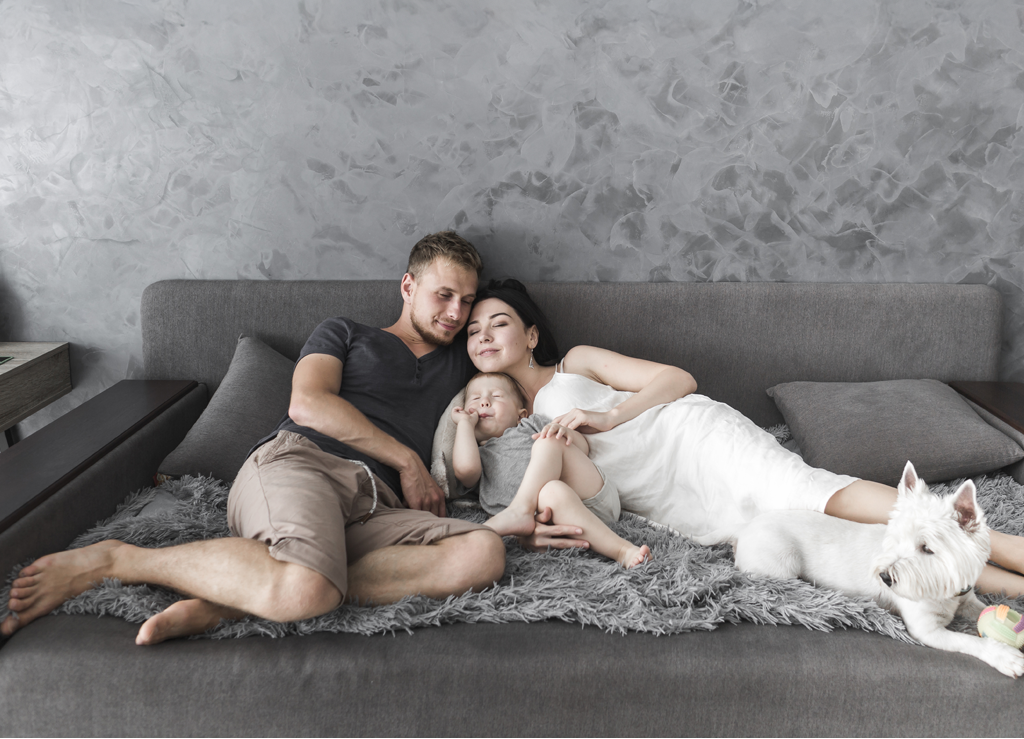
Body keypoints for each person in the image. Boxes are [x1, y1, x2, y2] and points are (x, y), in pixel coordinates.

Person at [2, 232, 507, 645]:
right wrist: (407, 460)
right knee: (309, 589)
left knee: (483, 553)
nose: (456, 313)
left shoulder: (466, 357)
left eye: (466, 301)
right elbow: (307, 404)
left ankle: (233, 597)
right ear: (408, 286)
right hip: (300, 463)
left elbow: (542, 372)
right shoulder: (345, 333)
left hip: (379, 504)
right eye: (444, 295)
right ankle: (120, 558)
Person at [465, 278, 1024, 596]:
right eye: (474, 330)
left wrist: (610, 417)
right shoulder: (497, 414)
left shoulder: (574, 364)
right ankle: (1003, 585)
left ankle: (1010, 549)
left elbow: (677, 380)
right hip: (667, 498)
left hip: (690, 439)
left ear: (532, 333)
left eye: (500, 322)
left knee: (808, 491)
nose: (485, 335)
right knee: (812, 532)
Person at [452, 371, 650, 568]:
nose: (484, 402)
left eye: (496, 396)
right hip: (553, 520)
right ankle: (623, 551)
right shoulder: (477, 454)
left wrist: (566, 433)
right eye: (476, 399)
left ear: (521, 415)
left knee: (547, 441)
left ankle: (521, 509)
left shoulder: (530, 425)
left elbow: (581, 448)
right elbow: (466, 470)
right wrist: (464, 425)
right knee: (550, 491)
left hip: (589, 496)